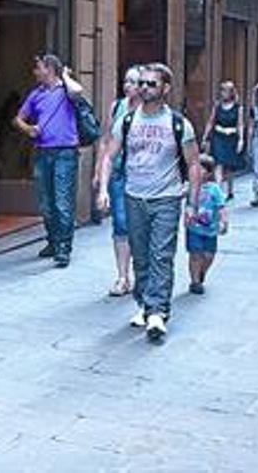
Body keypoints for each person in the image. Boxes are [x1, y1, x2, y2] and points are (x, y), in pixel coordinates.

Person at [96, 63, 201, 343]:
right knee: (140, 256)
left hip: (167, 198)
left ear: (166, 89)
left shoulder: (178, 123)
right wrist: (103, 188)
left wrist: (192, 203)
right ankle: (145, 303)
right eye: (141, 83)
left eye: (151, 84)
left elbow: (193, 164)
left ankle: (157, 312)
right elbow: (108, 154)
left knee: (161, 255)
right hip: (134, 196)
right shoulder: (127, 121)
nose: (144, 88)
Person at [13, 54, 84, 268]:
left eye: (39, 68)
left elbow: (78, 92)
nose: (35, 72)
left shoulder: (67, 92)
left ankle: (64, 247)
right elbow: (18, 119)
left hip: (65, 153)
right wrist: (29, 129)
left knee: (62, 201)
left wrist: (65, 75)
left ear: (50, 70)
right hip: (43, 152)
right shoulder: (36, 95)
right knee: (46, 202)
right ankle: (52, 241)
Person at [95, 66, 142, 296]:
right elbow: (105, 140)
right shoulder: (117, 107)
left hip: (142, 174)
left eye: (133, 82)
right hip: (118, 172)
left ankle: (140, 272)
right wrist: (98, 174)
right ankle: (123, 277)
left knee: (140, 225)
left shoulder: (149, 110)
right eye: (126, 81)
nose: (128, 86)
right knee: (121, 223)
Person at [185, 155, 228, 295]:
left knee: (209, 256)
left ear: (209, 173)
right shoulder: (189, 187)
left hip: (210, 229)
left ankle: (202, 271)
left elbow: (221, 207)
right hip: (193, 228)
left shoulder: (214, 189)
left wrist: (224, 221)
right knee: (195, 254)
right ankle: (195, 281)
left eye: (201, 169)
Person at [201, 81, 244, 201]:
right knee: (218, 164)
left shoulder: (238, 107)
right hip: (218, 136)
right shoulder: (217, 106)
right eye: (222, 90)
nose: (223, 93)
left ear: (231, 92)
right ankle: (219, 192)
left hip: (231, 137)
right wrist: (205, 136)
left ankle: (230, 190)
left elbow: (240, 124)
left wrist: (241, 139)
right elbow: (211, 121)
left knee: (229, 166)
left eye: (225, 90)